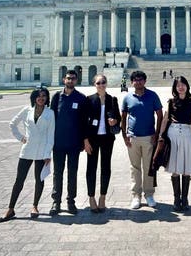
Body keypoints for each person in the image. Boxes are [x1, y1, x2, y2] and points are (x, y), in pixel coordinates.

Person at [0, 88, 55, 222]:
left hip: (42, 151)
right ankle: (10, 209)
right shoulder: (26, 110)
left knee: (39, 179)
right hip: (27, 149)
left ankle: (35, 206)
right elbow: (12, 124)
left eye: (44, 96)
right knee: (19, 180)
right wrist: (20, 137)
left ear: (47, 98)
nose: (41, 98)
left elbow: (50, 135)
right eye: (39, 96)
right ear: (34, 97)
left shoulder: (50, 113)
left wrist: (48, 153)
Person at [49, 70, 90, 216]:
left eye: (73, 79)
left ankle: (71, 201)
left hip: (74, 142)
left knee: (72, 173)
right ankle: (56, 202)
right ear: (63, 79)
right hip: (58, 142)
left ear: (76, 81)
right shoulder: (56, 97)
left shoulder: (81, 98)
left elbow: (84, 121)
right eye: (68, 78)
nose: (70, 81)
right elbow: (50, 119)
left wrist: (84, 141)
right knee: (57, 173)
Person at [121, 70, 163, 209]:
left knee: (148, 167)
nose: (138, 82)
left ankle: (149, 194)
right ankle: (136, 195)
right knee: (135, 168)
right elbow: (123, 117)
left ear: (145, 81)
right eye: (135, 80)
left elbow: (160, 115)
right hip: (132, 137)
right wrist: (124, 135)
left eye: (140, 79)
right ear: (132, 82)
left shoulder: (152, 95)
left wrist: (156, 134)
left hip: (148, 137)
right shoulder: (127, 97)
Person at [158, 76, 191, 211]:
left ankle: (185, 199)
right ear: (175, 88)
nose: (181, 87)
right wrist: (161, 137)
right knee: (174, 166)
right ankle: (176, 198)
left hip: (186, 134)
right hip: (173, 133)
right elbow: (164, 120)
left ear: (187, 86)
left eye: (183, 84)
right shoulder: (170, 102)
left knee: (186, 167)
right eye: (178, 85)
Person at [85, 74, 121, 213]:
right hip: (93, 139)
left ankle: (103, 197)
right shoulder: (89, 100)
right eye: (98, 83)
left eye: (103, 82)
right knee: (91, 168)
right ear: (94, 84)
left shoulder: (112, 100)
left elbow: (118, 116)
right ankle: (91, 197)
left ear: (106, 83)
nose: (101, 85)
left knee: (106, 167)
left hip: (107, 138)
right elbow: (84, 122)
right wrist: (85, 140)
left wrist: (115, 121)